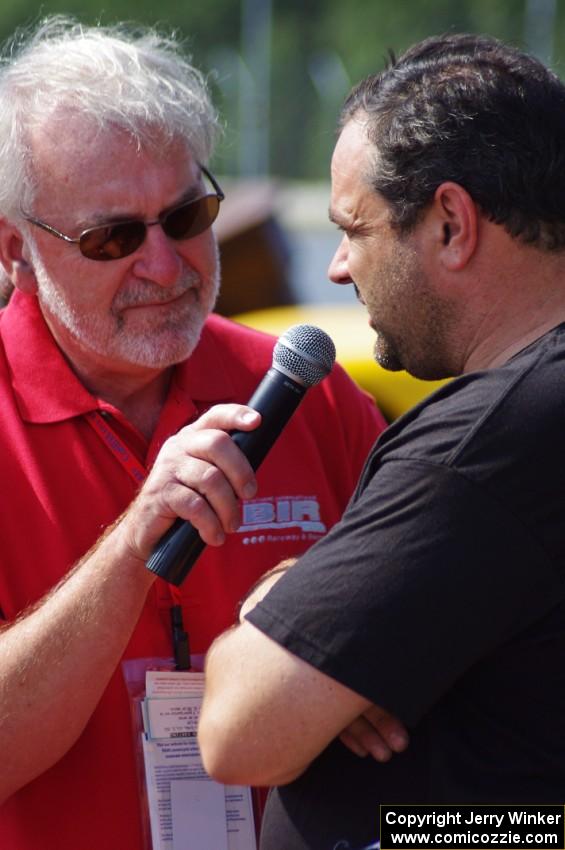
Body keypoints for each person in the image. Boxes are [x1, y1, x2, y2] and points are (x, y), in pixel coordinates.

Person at [0, 17, 393, 850]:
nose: (165, 266)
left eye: (186, 217)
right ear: (14, 250)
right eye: (111, 237)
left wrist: (367, 657)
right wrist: (129, 548)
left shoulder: (303, 389)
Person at [197, 32, 565, 850]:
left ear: (449, 223)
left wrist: (274, 599)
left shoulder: (486, 447)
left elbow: (238, 731)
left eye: (353, 228)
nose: (334, 267)